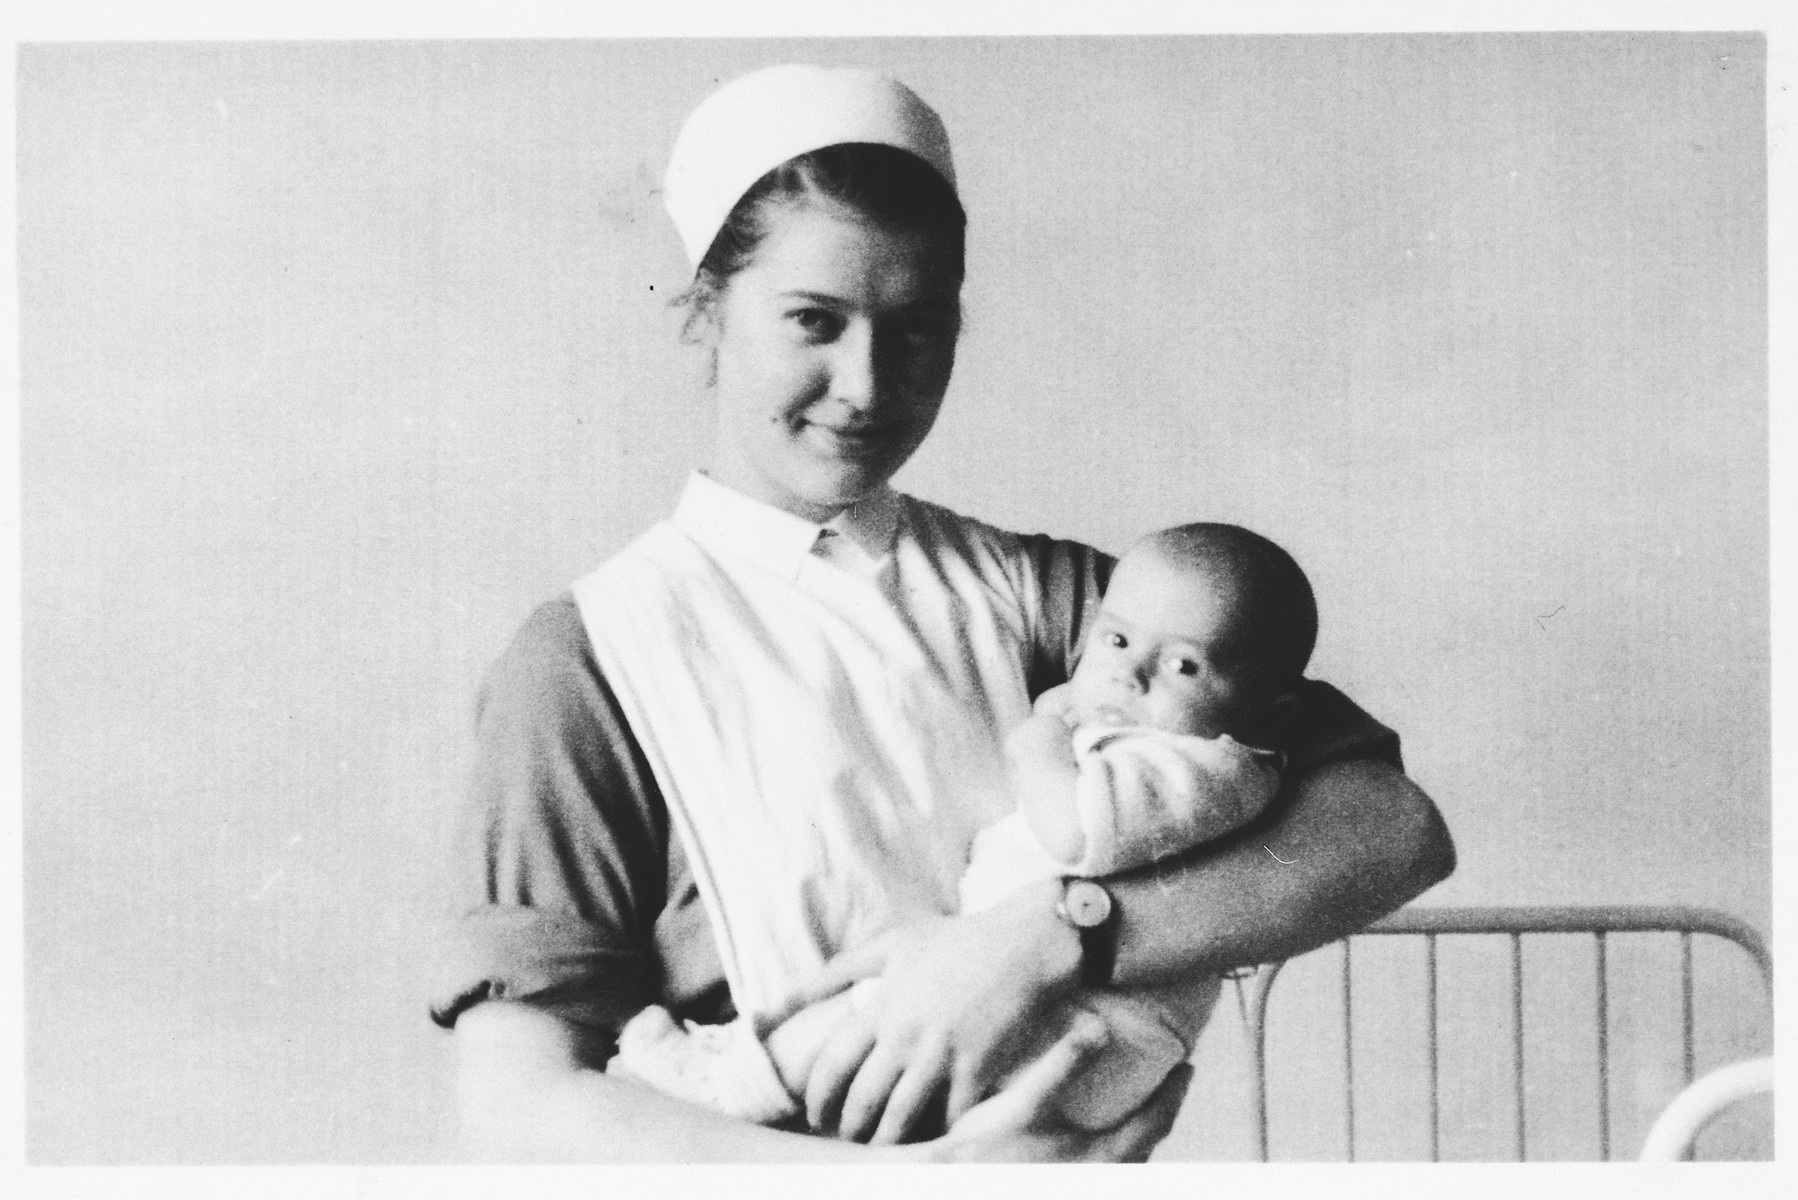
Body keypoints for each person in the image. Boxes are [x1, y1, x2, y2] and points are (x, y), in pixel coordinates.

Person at [432, 64, 1455, 1163]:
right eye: (812, 321)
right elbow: (519, 1108)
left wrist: (1047, 941)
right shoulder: (589, 659)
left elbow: (1393, 830)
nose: (867, 384)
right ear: (703, 315)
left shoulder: (1057, 605)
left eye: (917, 328)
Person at [604, 522, 1317, 1134]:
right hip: (1076, 1022)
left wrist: (1037, 738)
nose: (1128, 676)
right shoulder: (1169, 737)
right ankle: (730, 1071)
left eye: (1184, 666)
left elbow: (1075, 832)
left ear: (1270, 705)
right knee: (874, 1028)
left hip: (1085, 1025)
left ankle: (725, 1087)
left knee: (869, 1029)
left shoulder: (1201, 768)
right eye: (1117, 640)